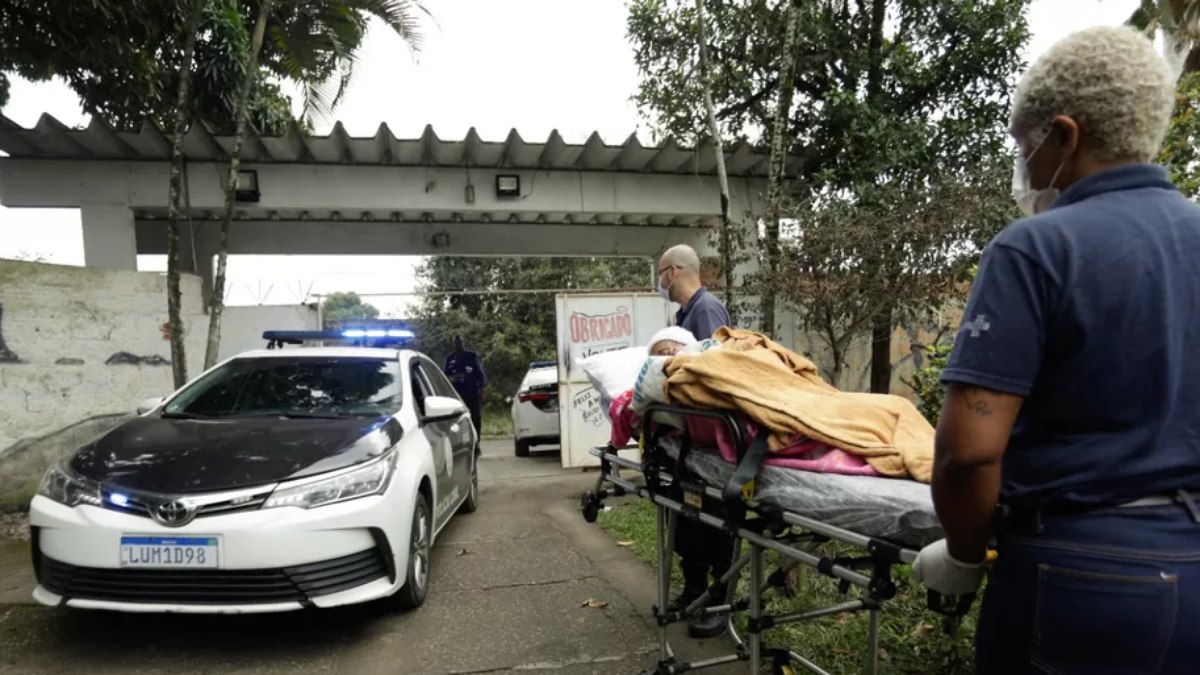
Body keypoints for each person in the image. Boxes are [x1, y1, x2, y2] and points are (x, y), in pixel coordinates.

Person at [912, 26, 1200, 674]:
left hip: (1079, 579)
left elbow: (969, 448)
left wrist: (962, 551)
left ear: (1065, 136)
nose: (1025, 167)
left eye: (1025, 146)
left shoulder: (1038, 249)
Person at [656, 244, 734, 638]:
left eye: (660, 273)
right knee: (690, 518)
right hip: (688, 442)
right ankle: (694, 591)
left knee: (714, 522)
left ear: (672, 271)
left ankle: (719, 603)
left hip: (711, 445)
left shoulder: (707, 311)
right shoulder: (684, 315)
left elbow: (711, 377)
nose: (660, 282)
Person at [443, 335, 486, 452]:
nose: (458, 344)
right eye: (456, 343)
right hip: (456, 396)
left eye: (460, 342)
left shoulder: (471, 356)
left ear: (463, 343)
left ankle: (476, 445)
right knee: (457, 422)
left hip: (471, 394)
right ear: (453, 344)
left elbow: (480, 374)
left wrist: (482, 391)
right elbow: (444, 377)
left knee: (476, 419)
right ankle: (458, 446)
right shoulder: (450, 359)